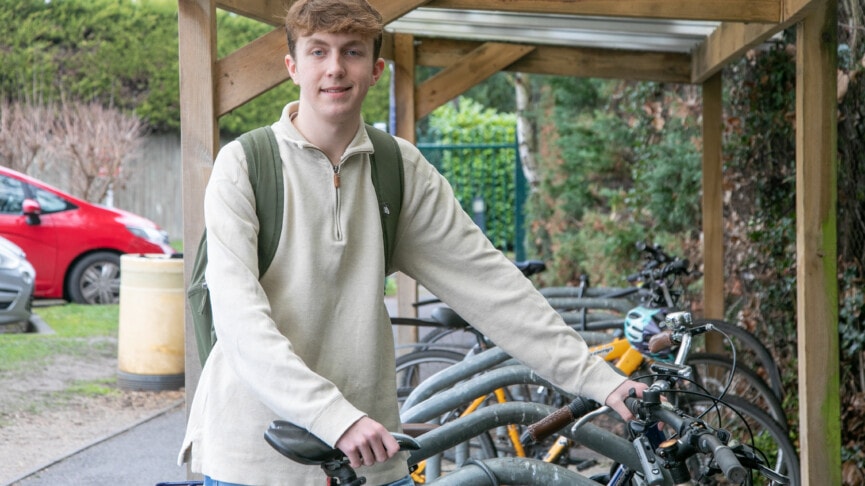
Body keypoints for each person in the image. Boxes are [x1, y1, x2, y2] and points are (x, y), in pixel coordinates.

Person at [178, 0, 647, 484]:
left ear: (376, 68)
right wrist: (335, 417)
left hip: (369, 457)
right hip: (256, 457)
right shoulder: (245, 165)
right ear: (293, 67)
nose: (335, 68)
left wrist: (601, 381)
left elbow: (489, 284)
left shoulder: (397, 168)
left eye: (352, 52)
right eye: (318, 52)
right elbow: (239, 321)